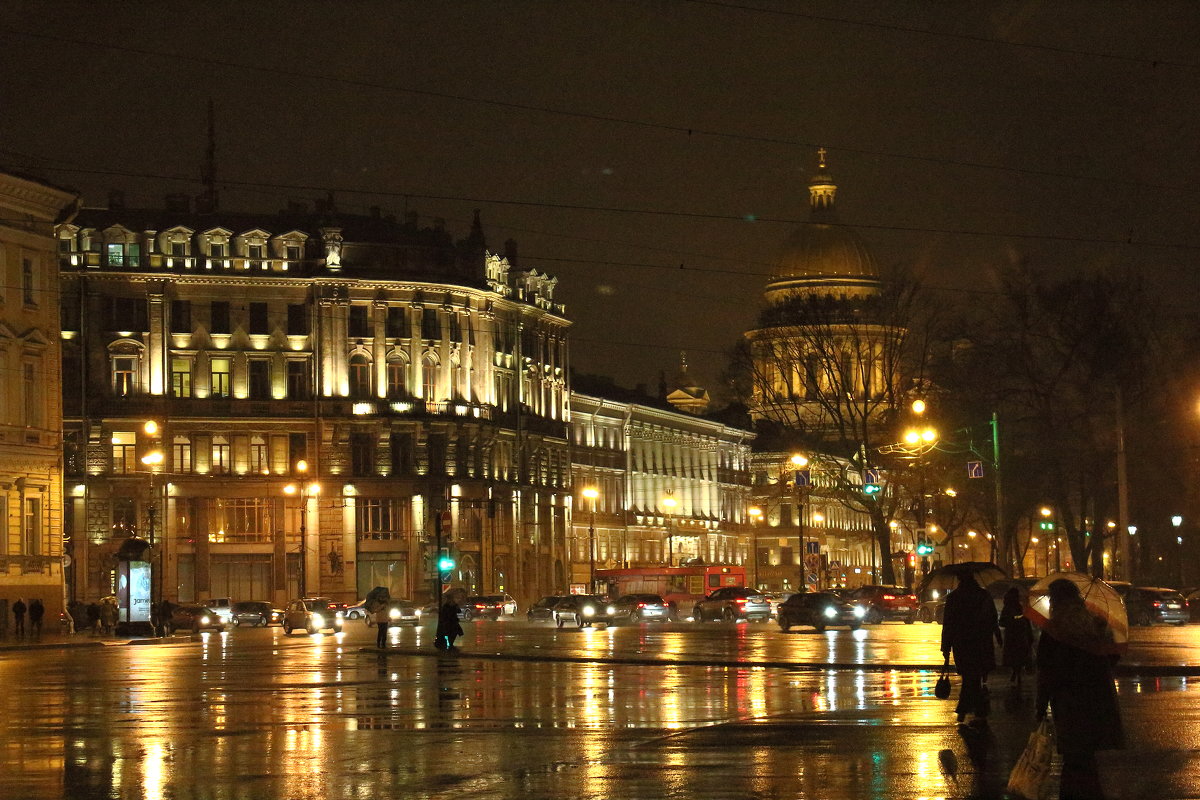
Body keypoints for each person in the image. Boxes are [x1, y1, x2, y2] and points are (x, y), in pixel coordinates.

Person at [1036, 579, 1124, 800]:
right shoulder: (1094, 622)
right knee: (1088, 754)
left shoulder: (1055, 629)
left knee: (1073, 754)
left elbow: (1045, 668)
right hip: (1095, 695)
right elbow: (1113, 654)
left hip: (1067, 697)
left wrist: (1040, 705)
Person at [940, 573, 1001, 726]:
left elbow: (948, 624)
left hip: (962, 643)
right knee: (975, 677)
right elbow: (993, 618)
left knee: (969, 676)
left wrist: (946, 647)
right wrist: (997, 636)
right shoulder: (983, 595)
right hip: (981, 641)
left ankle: (965, 709)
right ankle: (975, 709)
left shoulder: (954, 597)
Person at [999, 586, 1035, 687]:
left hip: (1015, 635)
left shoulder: (1016, 607)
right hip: (1017, 635)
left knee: (1016, 655)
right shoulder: (1012, 608)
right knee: (1018, 654)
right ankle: (1016, 672)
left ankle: (1016, 672)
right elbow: (1002, 621)